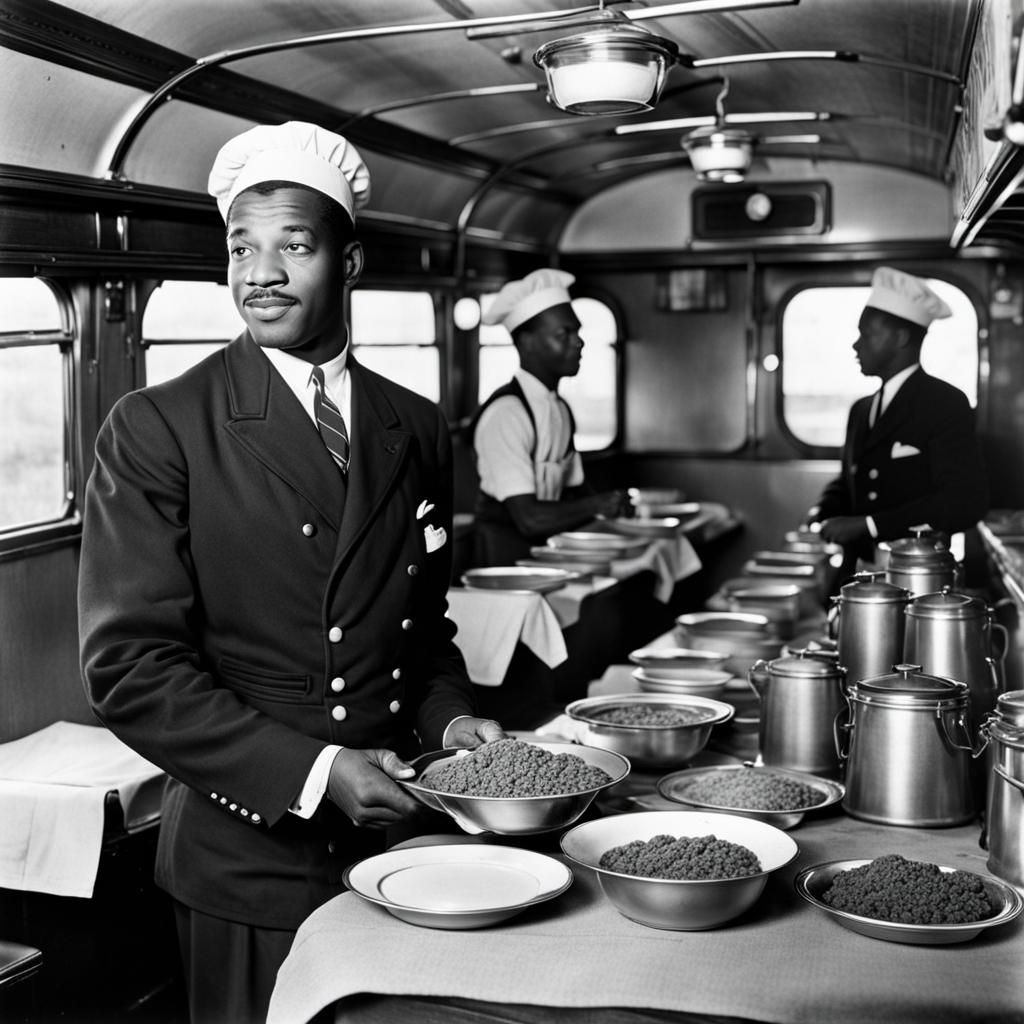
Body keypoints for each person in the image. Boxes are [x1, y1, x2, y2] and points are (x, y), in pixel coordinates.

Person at [77, 121, 503, 1024]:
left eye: (293, 247)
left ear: (349, 261)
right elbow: (130, 669)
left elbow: (420, 633)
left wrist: (455, 720)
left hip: (405, 847)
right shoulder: (161, 427)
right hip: (250, 861)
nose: (259, 273)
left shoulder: (416, 427)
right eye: (241, 247)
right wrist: (316, 772)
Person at [803, 266, 988, 565]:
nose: (856, 344)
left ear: (901, 338)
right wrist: (822, 512)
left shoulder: (944, 403)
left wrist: (869, 525)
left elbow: (964, 500)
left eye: (868, 333)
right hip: (860, 566)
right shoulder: (861, 410)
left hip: (916, 569)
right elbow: (851, 480)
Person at [471, 269, 628, 566]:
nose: (579, 342)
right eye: (564, 334)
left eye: (577, 332)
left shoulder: (559, 409)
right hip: (506, 561)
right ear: (527, 343)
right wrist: (597, 505)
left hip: (548, 556)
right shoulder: (506, 416)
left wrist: (611, 508)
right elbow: (529, 519)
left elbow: (573, 491)